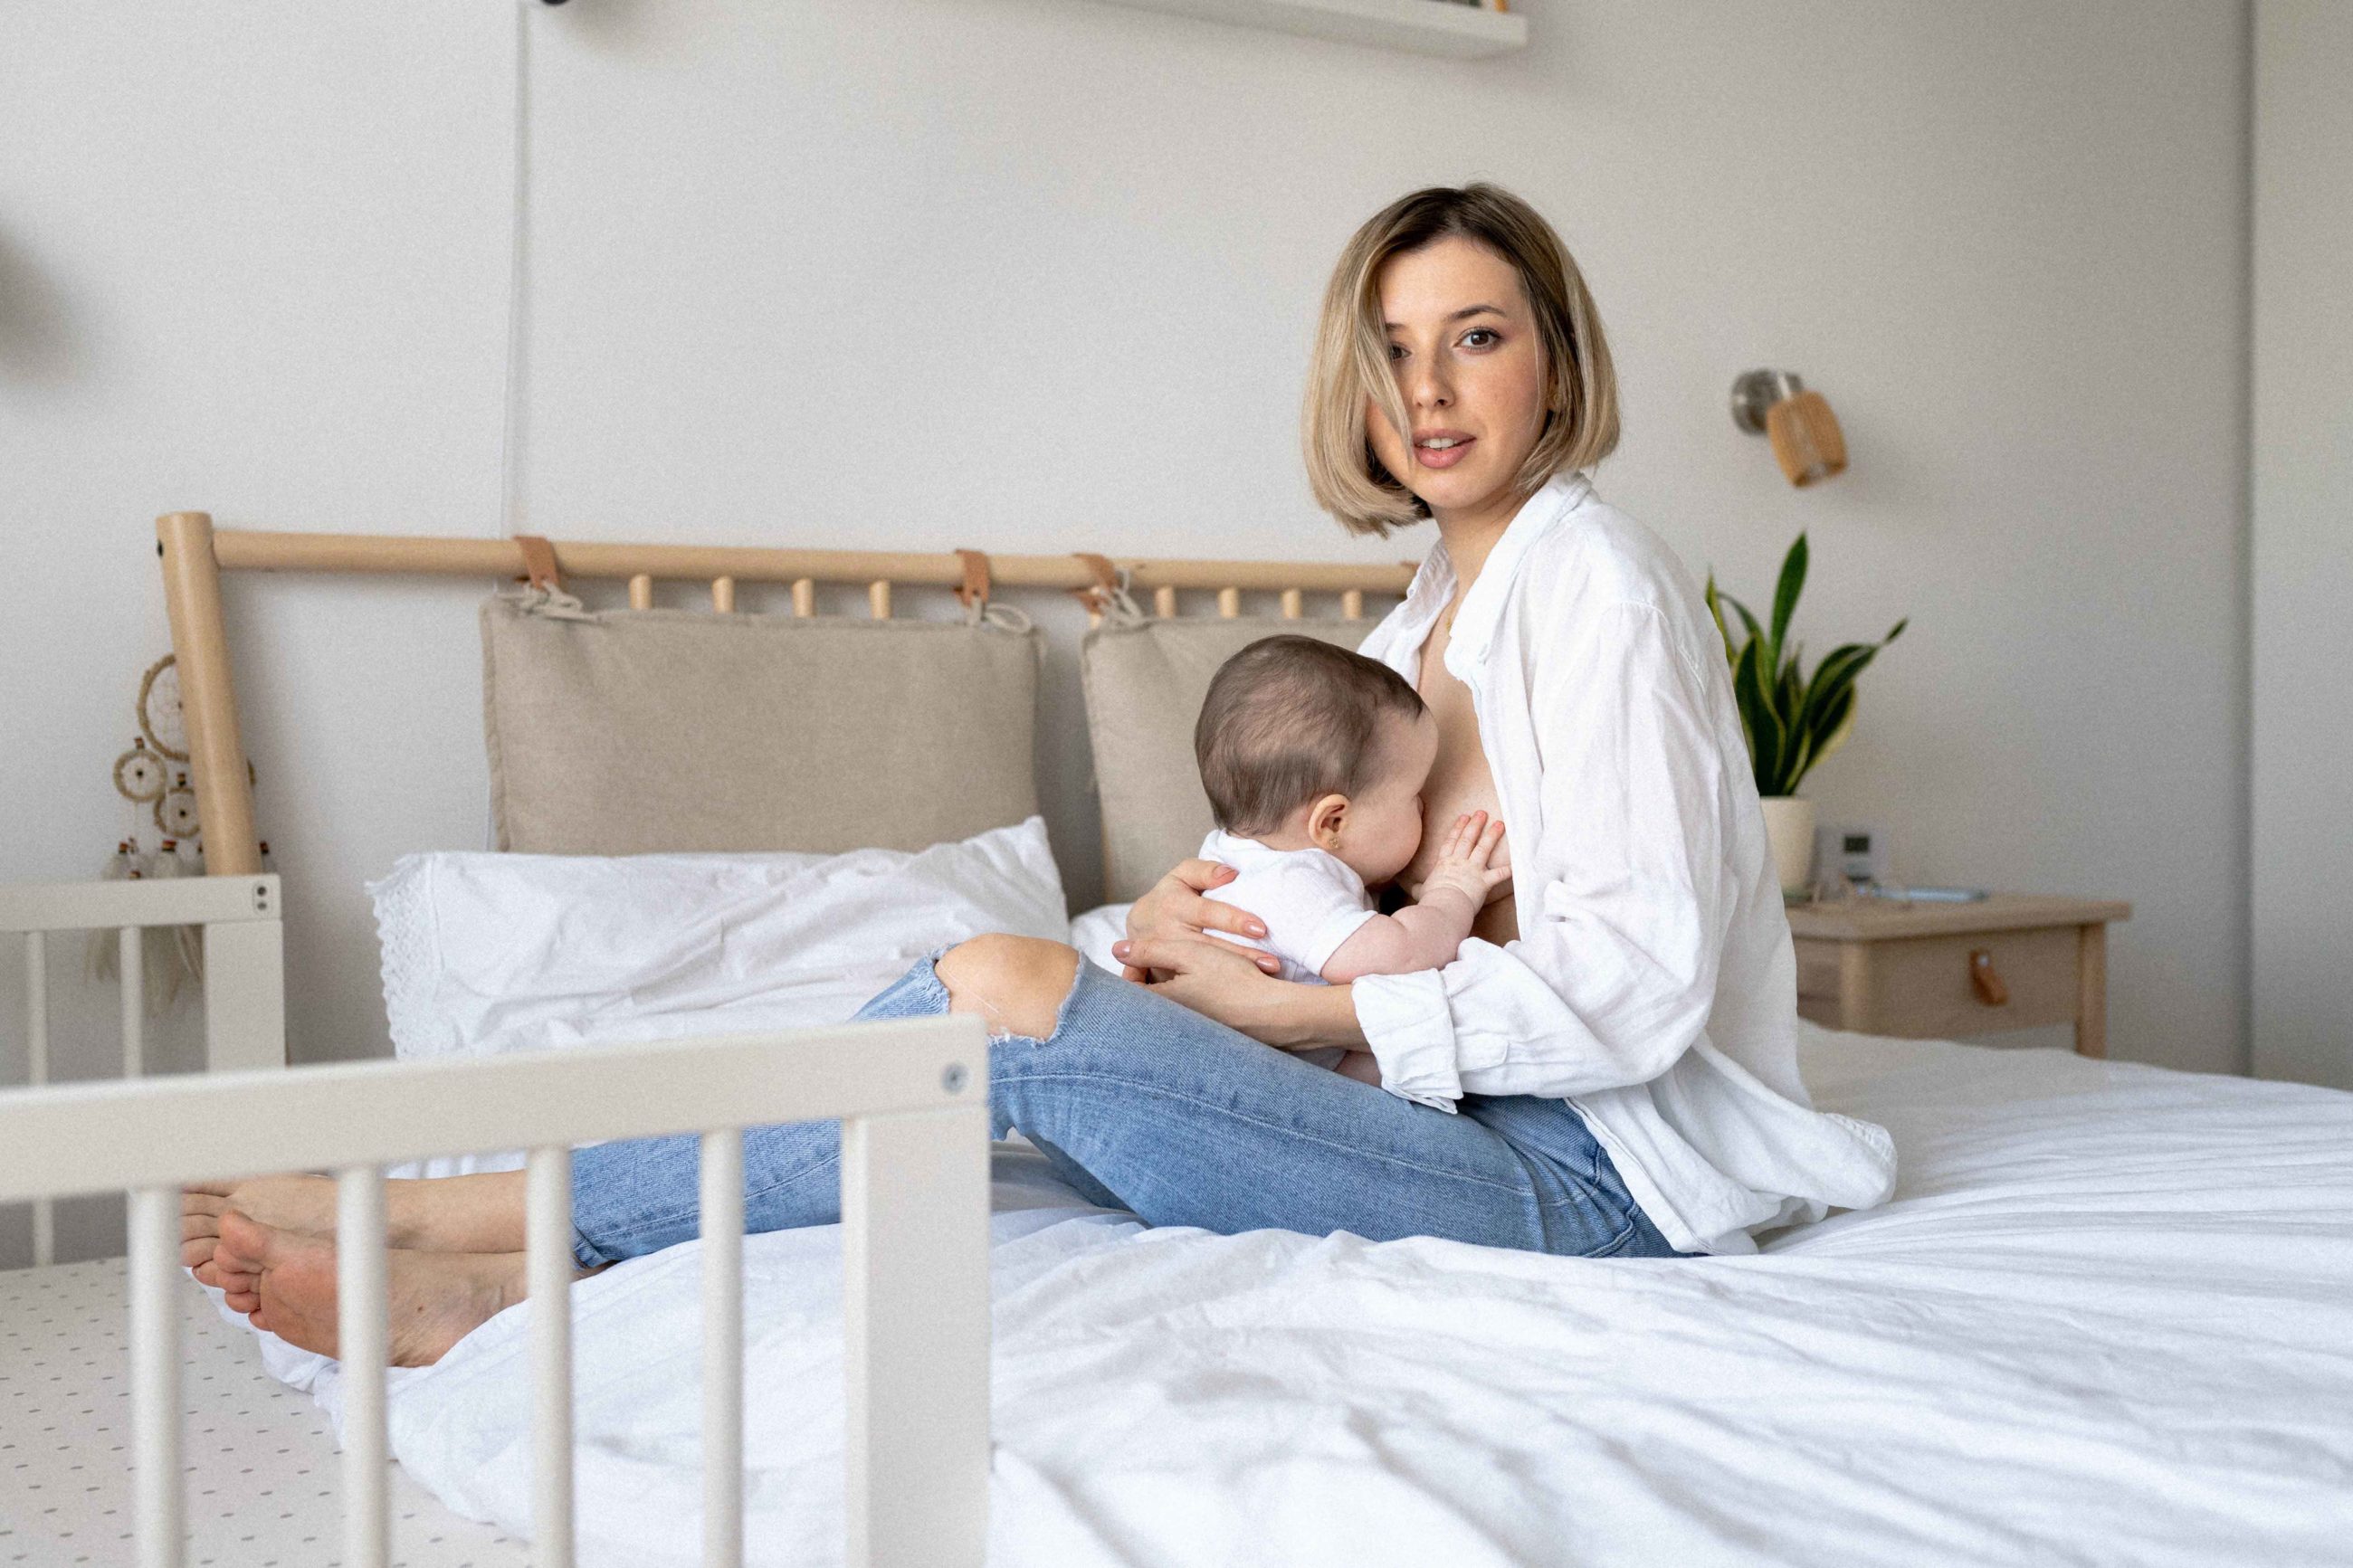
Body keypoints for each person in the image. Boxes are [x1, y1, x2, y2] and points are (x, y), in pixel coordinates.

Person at [186, 182, 1897, 1368]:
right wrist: (1170, 924)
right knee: (988, 977)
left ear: (1554, 357)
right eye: (1395, 347)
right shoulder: (1426, 608)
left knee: (1007, 997)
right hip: (1448, 1104)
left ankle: (472, 1239)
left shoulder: (1597, 582)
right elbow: (1339, 888)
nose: (1431, 389)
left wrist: (1285, 1016)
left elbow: (1649, 980)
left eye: (1477, 336)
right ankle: (484, 1239)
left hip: (1603, 1178)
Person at [1188, 633, 1511, 1086]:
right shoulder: (1291, 886)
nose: (1425, 807)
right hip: (1265, 1082)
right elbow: (1401, 955)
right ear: (1333, 823)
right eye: (1414, 795)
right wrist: (1452, 891)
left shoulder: (1240, 855)